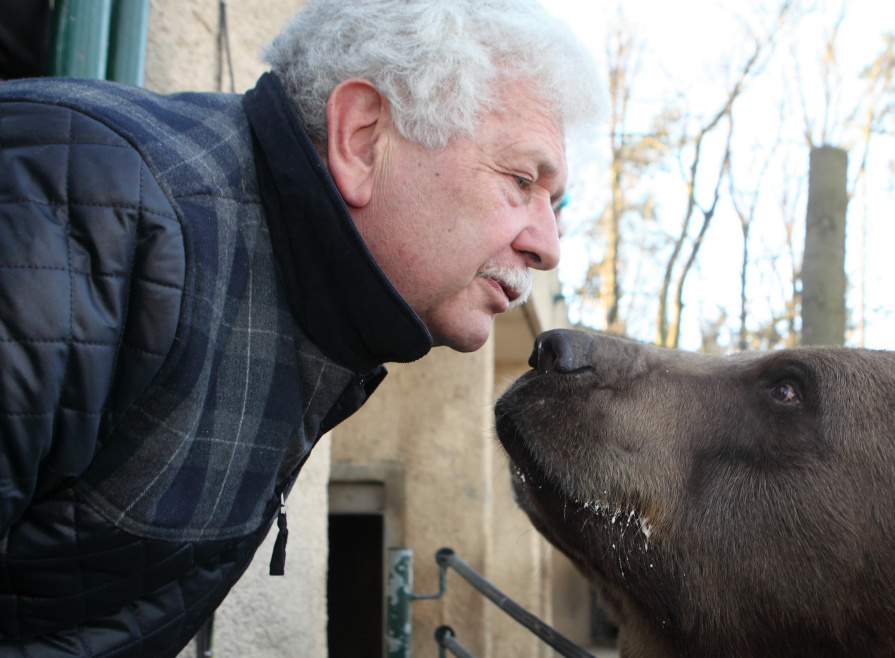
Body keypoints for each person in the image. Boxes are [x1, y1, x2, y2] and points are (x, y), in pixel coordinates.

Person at [0, 0, 605, 654]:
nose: (548, 246)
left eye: (557, 205)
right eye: (521, 179)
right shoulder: (74, 213)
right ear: (363, 137)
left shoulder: (319, 311)